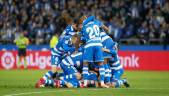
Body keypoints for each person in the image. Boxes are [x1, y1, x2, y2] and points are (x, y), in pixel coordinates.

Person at [79, 16, 109, 88]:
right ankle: (102, 83)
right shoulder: (96, 22)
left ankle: (85, 83)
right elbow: (107, 29)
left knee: (85, 63)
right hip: (98, 44)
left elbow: (83, 39)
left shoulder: (83, 27)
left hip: (89, 45)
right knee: (101, 64)